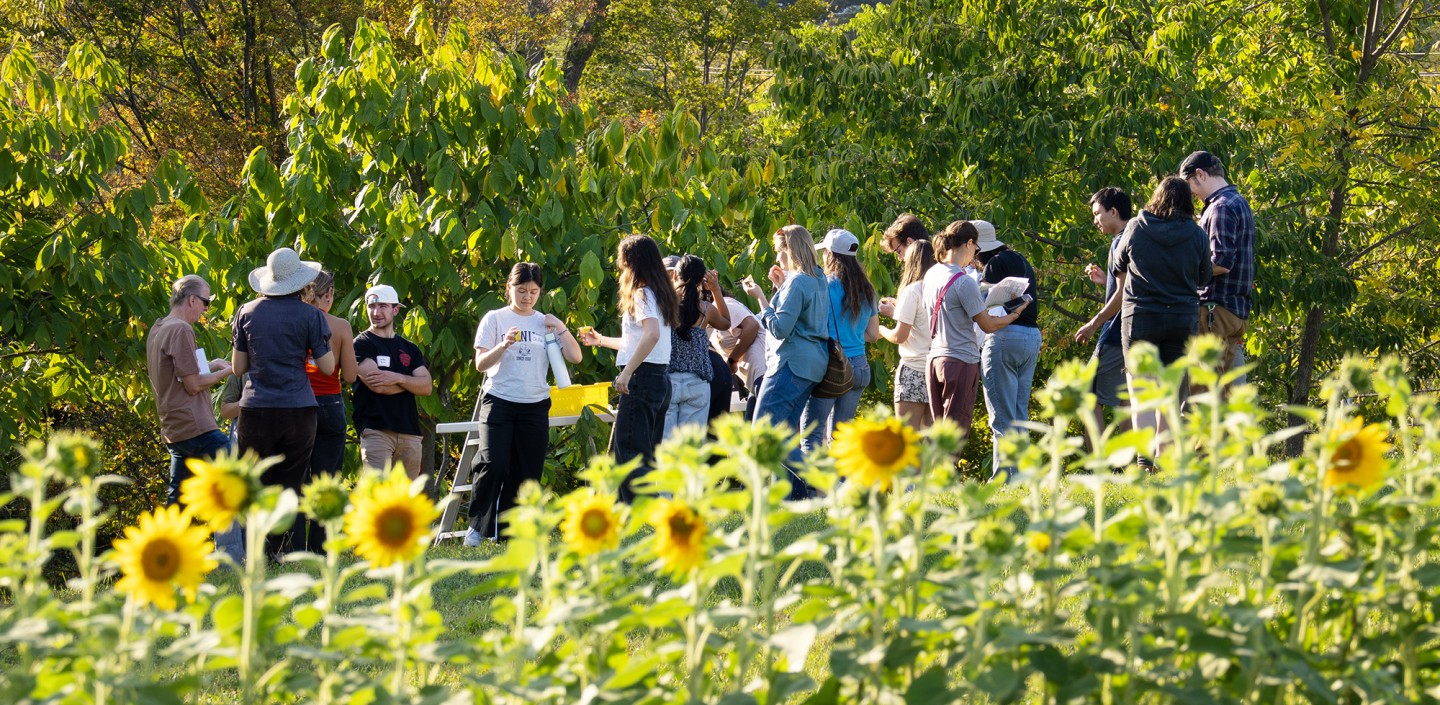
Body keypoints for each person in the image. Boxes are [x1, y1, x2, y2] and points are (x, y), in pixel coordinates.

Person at [1082, 176, 1212, 464]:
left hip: (1140, 318)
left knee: (1139, 391)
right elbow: (1204, 276)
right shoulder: (1196, 233)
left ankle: (1143, 461)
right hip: (1181, 319)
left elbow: (1119, 266)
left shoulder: (1138, 227)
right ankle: (1163, 459)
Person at [466, 263, 582, 545]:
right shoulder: (495, 318)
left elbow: (575, 357)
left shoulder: (545, 322)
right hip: (499, 401)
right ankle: (477, 527)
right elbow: (481, 364)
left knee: (526, 470)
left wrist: (562, 327)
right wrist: (503, 345)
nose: (527, 297)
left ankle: (508, 533)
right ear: (509, 288)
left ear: (540, 292)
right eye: (521, 291)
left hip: (535, 404)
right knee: (495, 463)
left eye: (533, 291)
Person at [231, 248, 335, 555]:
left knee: (254, 483)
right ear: (301, 281)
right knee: (290, 482)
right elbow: (327, 367)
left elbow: (238, 368)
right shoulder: (312, 316)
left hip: (256, 407)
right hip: (298, 409)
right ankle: (277, 548)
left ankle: (254, 549)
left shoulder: (246, 311)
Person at [578, 235, 679, 502]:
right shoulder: (659, 293)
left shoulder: (642, 292)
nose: (619, 265)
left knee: (630, 453)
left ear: (630, 262)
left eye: (621, 260)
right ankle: (634, 517)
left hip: (643, 379)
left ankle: (638, 517)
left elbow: (652, 335)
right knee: (643, 452)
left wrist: (627, 372)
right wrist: (600, 340)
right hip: (658, 378)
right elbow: (640, 340)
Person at [740, 225, 829, 500]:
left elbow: (779, 328)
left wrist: (760, 300)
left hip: (789, 364)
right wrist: (778, 289)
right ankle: (795, 498)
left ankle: (821, 479)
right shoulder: (818, 278)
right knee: (786, 431)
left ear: (790, 250)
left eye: (780, 252)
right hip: (813, 364)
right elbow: (800, 316)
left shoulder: (799, 281)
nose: (778, 258)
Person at [924, 222, 1027, 445]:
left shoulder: (932, 273)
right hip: (960, 360)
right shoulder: (962, 281)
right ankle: (946, 477)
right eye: (976, 248)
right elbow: (987, 325)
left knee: (937, 432)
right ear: (969, 243)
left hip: (933, 358)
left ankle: (935, 476)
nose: (975, 255)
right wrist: (1013, 315)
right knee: (954, 434)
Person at [146, 275, 234, 505]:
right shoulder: (181, 329)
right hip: (196, 426)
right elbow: (193, 385)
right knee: (239, 475)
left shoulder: (159, 327)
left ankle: (168, 540)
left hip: (174, 428)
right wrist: (230, 371)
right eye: (206, 302)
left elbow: (177, 374)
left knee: (178, 501)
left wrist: (213, 365)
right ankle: (238, 541)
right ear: (192, 300)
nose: (206, 309)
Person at [973, 221, 1042, 481]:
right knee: (1018, 413)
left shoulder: (993, 264)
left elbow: (984, 303)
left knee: (1001, 416)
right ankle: (1022, 476)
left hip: (1004, 337)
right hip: (1031, 336)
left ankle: (1003, 478)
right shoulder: (1020, 259)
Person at [800, 229, 879, 454]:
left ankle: (812, 488)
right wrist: (851, 335)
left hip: (831, 366)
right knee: (842, 438)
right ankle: (842, 487)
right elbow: (873, 335)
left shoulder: (824, 286)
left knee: (813, 434)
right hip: (860, 367)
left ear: (830, 255)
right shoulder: (867, 289)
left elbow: (815, 327)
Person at [1181, 150, 1254, 382]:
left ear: (1200, 175)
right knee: (1232, 391)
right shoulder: (1239, 201)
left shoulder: (1220, 207)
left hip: (1216, 310)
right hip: (1235, 310)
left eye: (1189, 186)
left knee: (1206, 391)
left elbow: (1221, 262)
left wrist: (1183, 273)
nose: (1191, 195)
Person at [299, 270, 358, 551]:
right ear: (329, 295)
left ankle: (294, 545)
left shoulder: (295, 321)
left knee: (296, 476)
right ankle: (321, 547)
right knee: (327, 479)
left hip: (298, 403)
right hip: (330, 404)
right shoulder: (341, 326)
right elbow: (349, 375)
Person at [353, 284, 433, 479]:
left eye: (382, 306)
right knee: (377, 496)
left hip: (410, 433)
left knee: (407, 501)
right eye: (371, 306)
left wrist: (397, 377)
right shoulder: (362, 343)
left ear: (395, 310)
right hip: (376, 431)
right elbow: (379, 386)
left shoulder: (410, 348)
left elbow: (427, 387)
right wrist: (411, 384)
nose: (376, 312)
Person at [1074, 188, 1134, 436]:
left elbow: (1121, 295)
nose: (1095, 220)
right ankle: (1135, 463)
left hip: (1114, 332)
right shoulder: (1137, 236)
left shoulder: (1120, 241)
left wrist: (1093, 323)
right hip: (1134, 330)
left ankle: (1098, 464)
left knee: (1086, 397)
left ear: (1113, 211)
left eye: (1098, 213)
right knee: (1126, 398)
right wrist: (1104, 281)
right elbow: (1129, 288)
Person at [663, 255, 730, 437]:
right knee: (691, 452)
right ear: (702, 280)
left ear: (675, 276)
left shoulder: (664, 306)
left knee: (667, 449)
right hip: (697, 383)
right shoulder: (706, 309)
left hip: (669, 381)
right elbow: (726, 323)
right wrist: (715, 290)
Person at [879, 240, 936, 429]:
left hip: (913, 369)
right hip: (936, 370)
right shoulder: (939, 289)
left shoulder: (913, 290)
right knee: (929, 441)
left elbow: (899, 337)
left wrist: (880, 329)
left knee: (907, 437)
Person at [709, 287, 766, 421]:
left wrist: (732, 360)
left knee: (766, 431)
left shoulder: (725, 305)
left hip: (763, 372)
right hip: (755, 378)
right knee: (752, 432)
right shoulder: (712, 316)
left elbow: (752, 326)